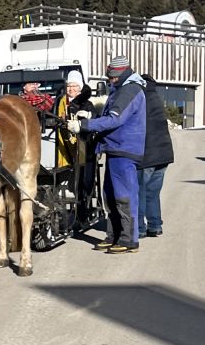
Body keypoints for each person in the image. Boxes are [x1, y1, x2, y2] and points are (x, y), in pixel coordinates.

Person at [79, 56, 146, 252]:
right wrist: (93, 117)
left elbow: (115, 119)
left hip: (124, 149)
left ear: (120, 74)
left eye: (112, 77)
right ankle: (114, 235)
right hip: (115, 148)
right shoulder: (122, 89)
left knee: (124, 196)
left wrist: (84, 125)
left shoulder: (130, 90)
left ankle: (128, 239)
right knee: (110, 195)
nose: (110, 80)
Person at [54, 69, 96, 231]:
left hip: (83, 147)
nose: (71, 89)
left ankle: (83, 213)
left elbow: (96, 120)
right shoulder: (59, 102)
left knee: (84, 182)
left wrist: (87, 118)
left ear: (80, 87)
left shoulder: (87, 103)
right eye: (69, 86)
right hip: (62, 146)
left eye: (74, 86)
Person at [137, 74, 175, 237]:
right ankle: (155, 225)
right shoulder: (156, 98)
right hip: (163, 153)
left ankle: (139, 228)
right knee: (152, 192)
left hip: (147, 154)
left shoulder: (140, 99)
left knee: (140, 192)